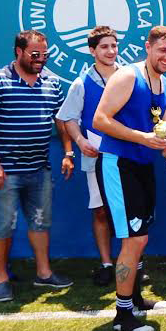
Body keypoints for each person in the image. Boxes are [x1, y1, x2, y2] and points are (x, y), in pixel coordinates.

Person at [0, 30, 75, 303]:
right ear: (18, 51)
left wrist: (68, 152)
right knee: (2, 226)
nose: (41, 59)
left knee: (41, 222)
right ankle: (2, 278)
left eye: (45, 55)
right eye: (35, 54)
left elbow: (61, 120)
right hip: (5, 171)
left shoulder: (52, 82)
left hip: (39, 169)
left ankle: (44, 273)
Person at [93, 25, 166, 331]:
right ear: (148, 47)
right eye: (162, 50)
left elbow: (165, 124)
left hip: (143, 165)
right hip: (119, 164)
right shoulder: (128, 76)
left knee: (140, 236)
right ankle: (122, 315)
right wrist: (142, 138)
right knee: (133, 240)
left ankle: (136, 299)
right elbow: (100, 119)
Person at [57, 25, 120, 286]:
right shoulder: (81, 83)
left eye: (114, 46)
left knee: (129, 212)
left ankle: (133, 264)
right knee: (101, 211)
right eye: (104, 46)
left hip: (128, 156)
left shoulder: (130, 76)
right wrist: (80, 141)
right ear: (92, 50)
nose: (110, 51)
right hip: (96, 157)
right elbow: (67, 117)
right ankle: (107, 264)